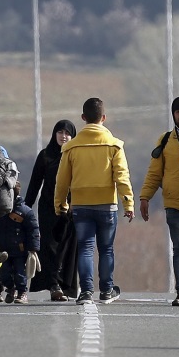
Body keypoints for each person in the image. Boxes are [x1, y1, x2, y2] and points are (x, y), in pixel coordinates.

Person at [55, 98, 134, 304]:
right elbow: (122, 177)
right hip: (107, 204)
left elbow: (62, 181)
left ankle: (86, 291)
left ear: (83, 118)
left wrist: (60, 204)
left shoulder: (71, 147)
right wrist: (128, 203)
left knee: (86, 247)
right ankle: (107, 290)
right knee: (106, 248)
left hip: (80, 204)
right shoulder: (114, 145)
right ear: (104, 118)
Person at [140, 97, 179, 306]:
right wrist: (145, 197)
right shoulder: (165, 140)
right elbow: (154, 172)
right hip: (175, 205)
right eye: (177, 112)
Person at [25, 119, 78, 302]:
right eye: (60, 132)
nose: (63, 136)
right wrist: (25, 208)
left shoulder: (76, 155)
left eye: (67, 133)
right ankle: (53, 284)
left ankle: (66, 287)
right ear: (54, 134)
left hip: (71, 210)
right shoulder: (45, 156)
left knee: (68, 248)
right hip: (48, 210)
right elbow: (34, 185)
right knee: (49, 247)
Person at [0, 182, 39, 303]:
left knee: (20, 273)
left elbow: (33, 230)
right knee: (4, 273)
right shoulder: (0, 210)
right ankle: (10, 288)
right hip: (3, 248)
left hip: (19, 249)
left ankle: (22, 292)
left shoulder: (25, 211)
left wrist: (33, 248)